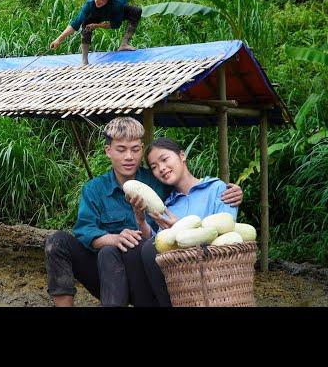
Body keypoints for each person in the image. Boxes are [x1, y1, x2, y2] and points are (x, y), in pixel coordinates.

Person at [44, 117, 243, 307]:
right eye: (121, 150)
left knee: (128, 248)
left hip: (146, 275)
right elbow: (84, 230)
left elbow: (189, 191)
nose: (129, 157)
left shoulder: (158, 182)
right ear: (108, 151)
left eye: (135, 149)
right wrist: (112, 238)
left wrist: (229, 191)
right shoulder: (94, 189)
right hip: (105, 275)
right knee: (61, 242)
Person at [133, 137, 240, 307]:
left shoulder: (217, 188)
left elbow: (227, 231)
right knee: (144, 249)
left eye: (164, 159)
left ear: (182, 156)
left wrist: (180, 226)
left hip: (215, 272)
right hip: (180, 281)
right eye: (154, 167)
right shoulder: (168, 206)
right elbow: (157, 245)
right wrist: (141, 221)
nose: (161, 168)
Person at [49, 0, 142, 65]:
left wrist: (97, 26)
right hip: (96, 15)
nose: (97, 1)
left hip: (114, 13)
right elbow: (75, 23)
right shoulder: (90, 4)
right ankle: (84, 60)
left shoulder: (118, 2)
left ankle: (124, 44)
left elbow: (116, 25)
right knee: (86, 26)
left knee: (136, 11)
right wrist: (58, 40)